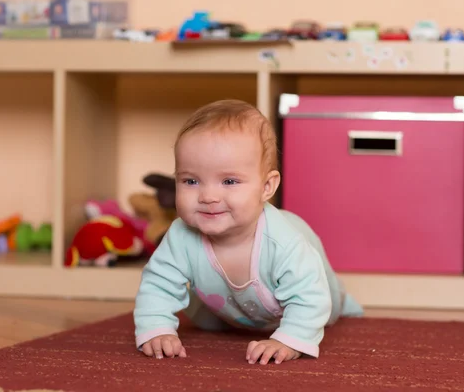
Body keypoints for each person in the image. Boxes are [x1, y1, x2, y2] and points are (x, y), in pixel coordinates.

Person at [133, 99, 363, 365]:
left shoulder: (284, 242)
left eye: (229, 181)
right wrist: (157, 328)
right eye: (191, 181)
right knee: (206, 321)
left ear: (267, 186)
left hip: (305, 294)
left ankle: (343, 300)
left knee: (326, 303)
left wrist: (288, 339)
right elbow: (159, 283)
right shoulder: (181, 235)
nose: (208, 196)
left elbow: (310, 296)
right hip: (228, 308)